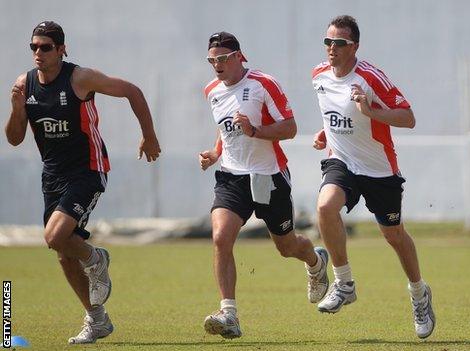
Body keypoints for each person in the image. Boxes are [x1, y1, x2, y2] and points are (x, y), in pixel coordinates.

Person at [5, 21, 161, 344]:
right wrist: (16, 109)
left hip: (88, 169)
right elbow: (15, 138)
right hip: (52, 176)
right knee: (63, 252)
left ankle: (96, 258)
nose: (38, 53)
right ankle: (97, 319)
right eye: (33, 47)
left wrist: (149, 135)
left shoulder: (79, 78)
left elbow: (133, 91)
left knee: (54, 236)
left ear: (62, 49)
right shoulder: (25, 84)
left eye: (46, 47)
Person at [311, 15, 435, 339]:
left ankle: (419, 293)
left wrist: (371, 112)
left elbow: (408, 118)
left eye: (339, 43)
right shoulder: (318, 76)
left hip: (379, 168)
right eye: (328, 42)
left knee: (394, 236)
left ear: (355, 47)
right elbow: (333, 113)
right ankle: (344, 282)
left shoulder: (370, 77)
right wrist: (325, 133)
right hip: (342, 162)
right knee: (325, 207)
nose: (331, 48)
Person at [199, 31, 329, 339]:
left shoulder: (262, 84)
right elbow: (226, 130)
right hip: (231, 178)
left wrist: (255, 131)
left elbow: (290, 128)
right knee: (221, 236)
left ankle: (315, 262)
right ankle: (229, 313)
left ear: (239, 56)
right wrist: (215, 153)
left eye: (222, 59)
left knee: (286, 247)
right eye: (211, 60)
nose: (217, 66)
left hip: (268, 176)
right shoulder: (211, 91)